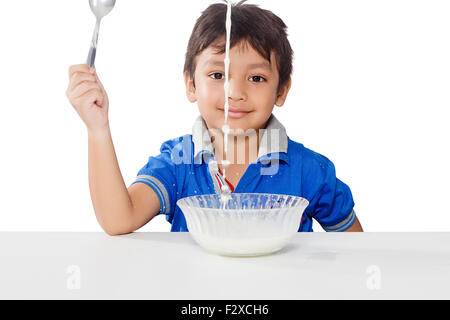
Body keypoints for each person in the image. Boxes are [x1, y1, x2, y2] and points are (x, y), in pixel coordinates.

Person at [66, 1, 363, 235]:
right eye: (218, 74)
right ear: (191, 85)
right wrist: (98, 129)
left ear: (282, 90)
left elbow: (356, 253)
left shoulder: (309, 171)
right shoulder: (179, 163)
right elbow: (119, 219)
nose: (234, 92)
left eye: (256, 77)